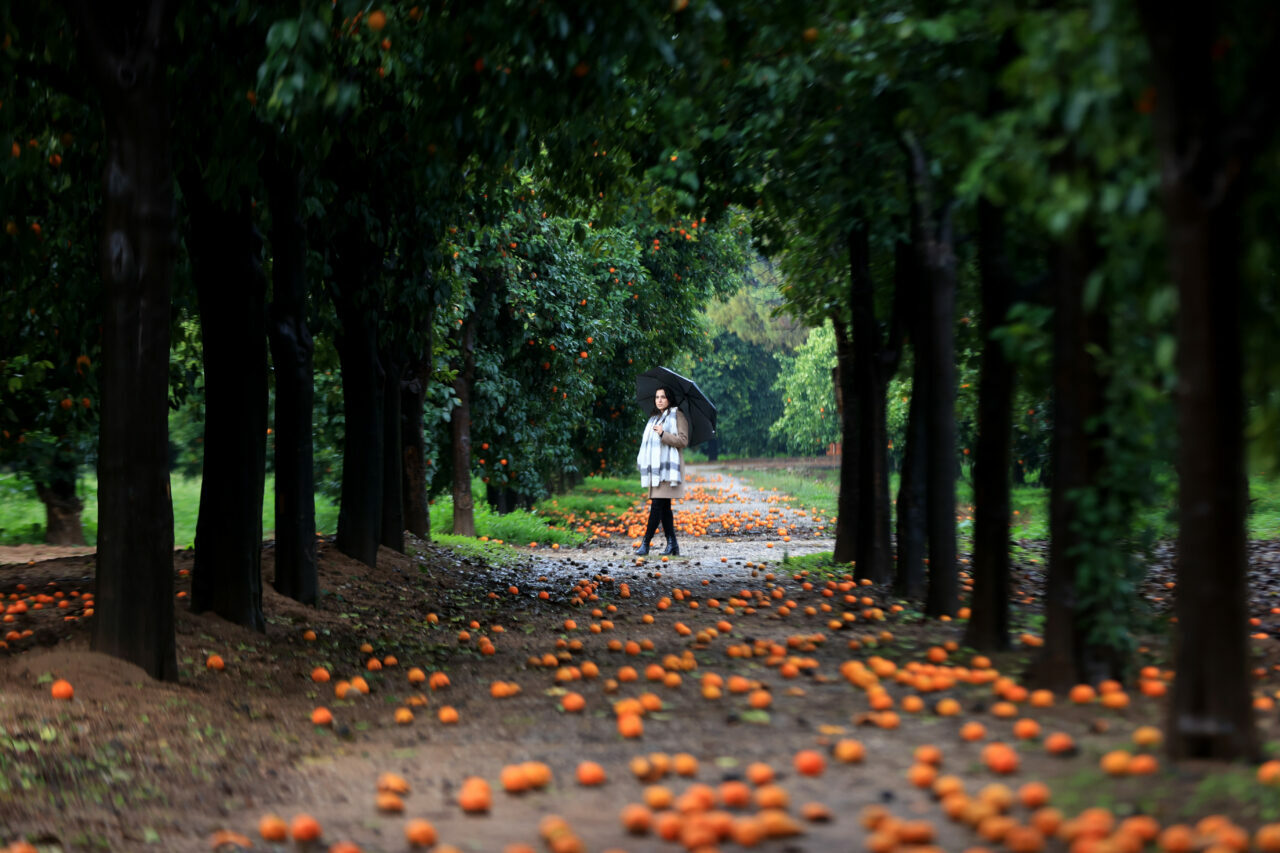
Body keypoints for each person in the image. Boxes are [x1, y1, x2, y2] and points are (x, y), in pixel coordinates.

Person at [634, 387, 689, 556]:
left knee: (657, 505)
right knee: (664, 508)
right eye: (657, 397)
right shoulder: (654, 418)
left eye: (663, 397)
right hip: (656, 470)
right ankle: (672, 544)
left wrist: (663, 433)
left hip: (668, 470)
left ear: (669, 399)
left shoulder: (678, 415)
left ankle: (646, 543)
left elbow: (683, 440)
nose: (659, 400)